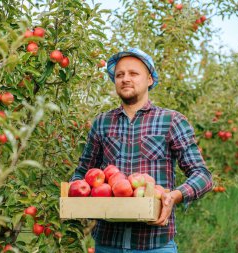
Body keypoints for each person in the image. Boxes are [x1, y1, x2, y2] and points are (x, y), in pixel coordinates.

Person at [70, 48, 213, 252]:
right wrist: (75, 195)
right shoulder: (102, 123)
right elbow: (83, 172)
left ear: (150, 79)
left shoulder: (171, 121)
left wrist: (174, 196)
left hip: (155, 244)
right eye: (120, 75)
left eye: (133, 73)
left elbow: (203, 175)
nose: (125, 79)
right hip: (108, 242)